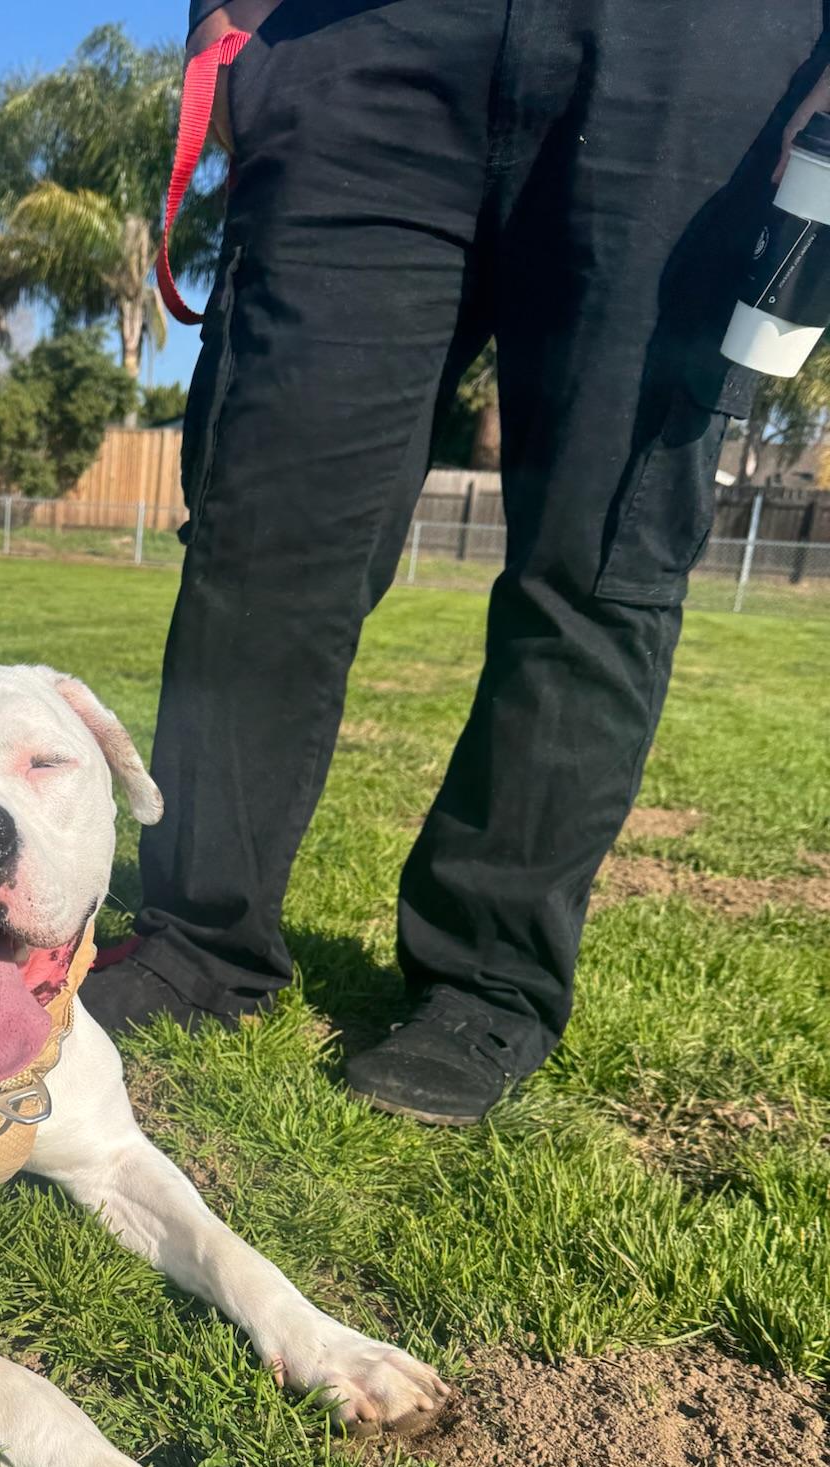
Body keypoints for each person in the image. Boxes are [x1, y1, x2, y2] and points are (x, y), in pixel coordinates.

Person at [88, 0, 830, 1125]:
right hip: (361, 39)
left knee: (597, 554)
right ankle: (198, 938)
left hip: (706, 56)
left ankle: (488, 979)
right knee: (266, 531)